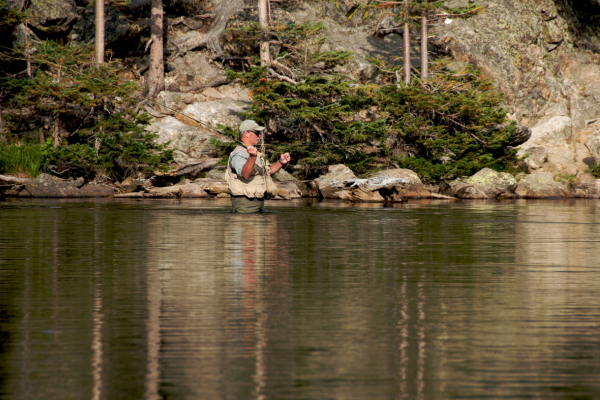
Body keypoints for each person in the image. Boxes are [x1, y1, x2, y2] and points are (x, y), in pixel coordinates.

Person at [225, 120, 291, 213]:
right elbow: (245, 174)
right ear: (246, 133)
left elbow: (268, 171)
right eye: (257, 133)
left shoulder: (254, 153)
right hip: (245, 204)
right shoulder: (239, 153)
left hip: (258, 203)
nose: (259, 136)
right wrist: (252, 157)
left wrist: (281, 162)